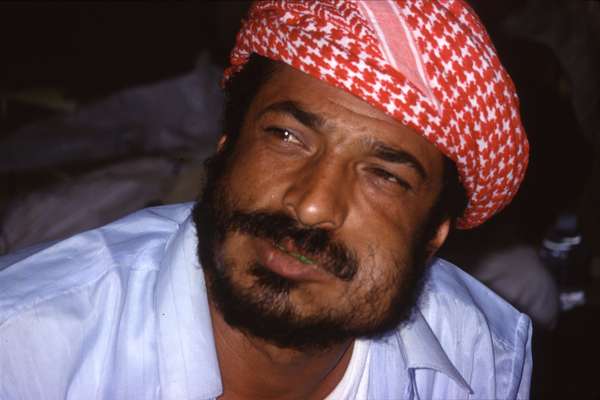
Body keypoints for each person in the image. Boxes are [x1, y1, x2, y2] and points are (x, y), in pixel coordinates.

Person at [0, 1, 532, 399]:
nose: (312, 206)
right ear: (226, 147)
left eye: (384, 176)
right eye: (286, 138)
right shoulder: (25, 351)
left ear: (432, 236)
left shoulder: (485, 352)